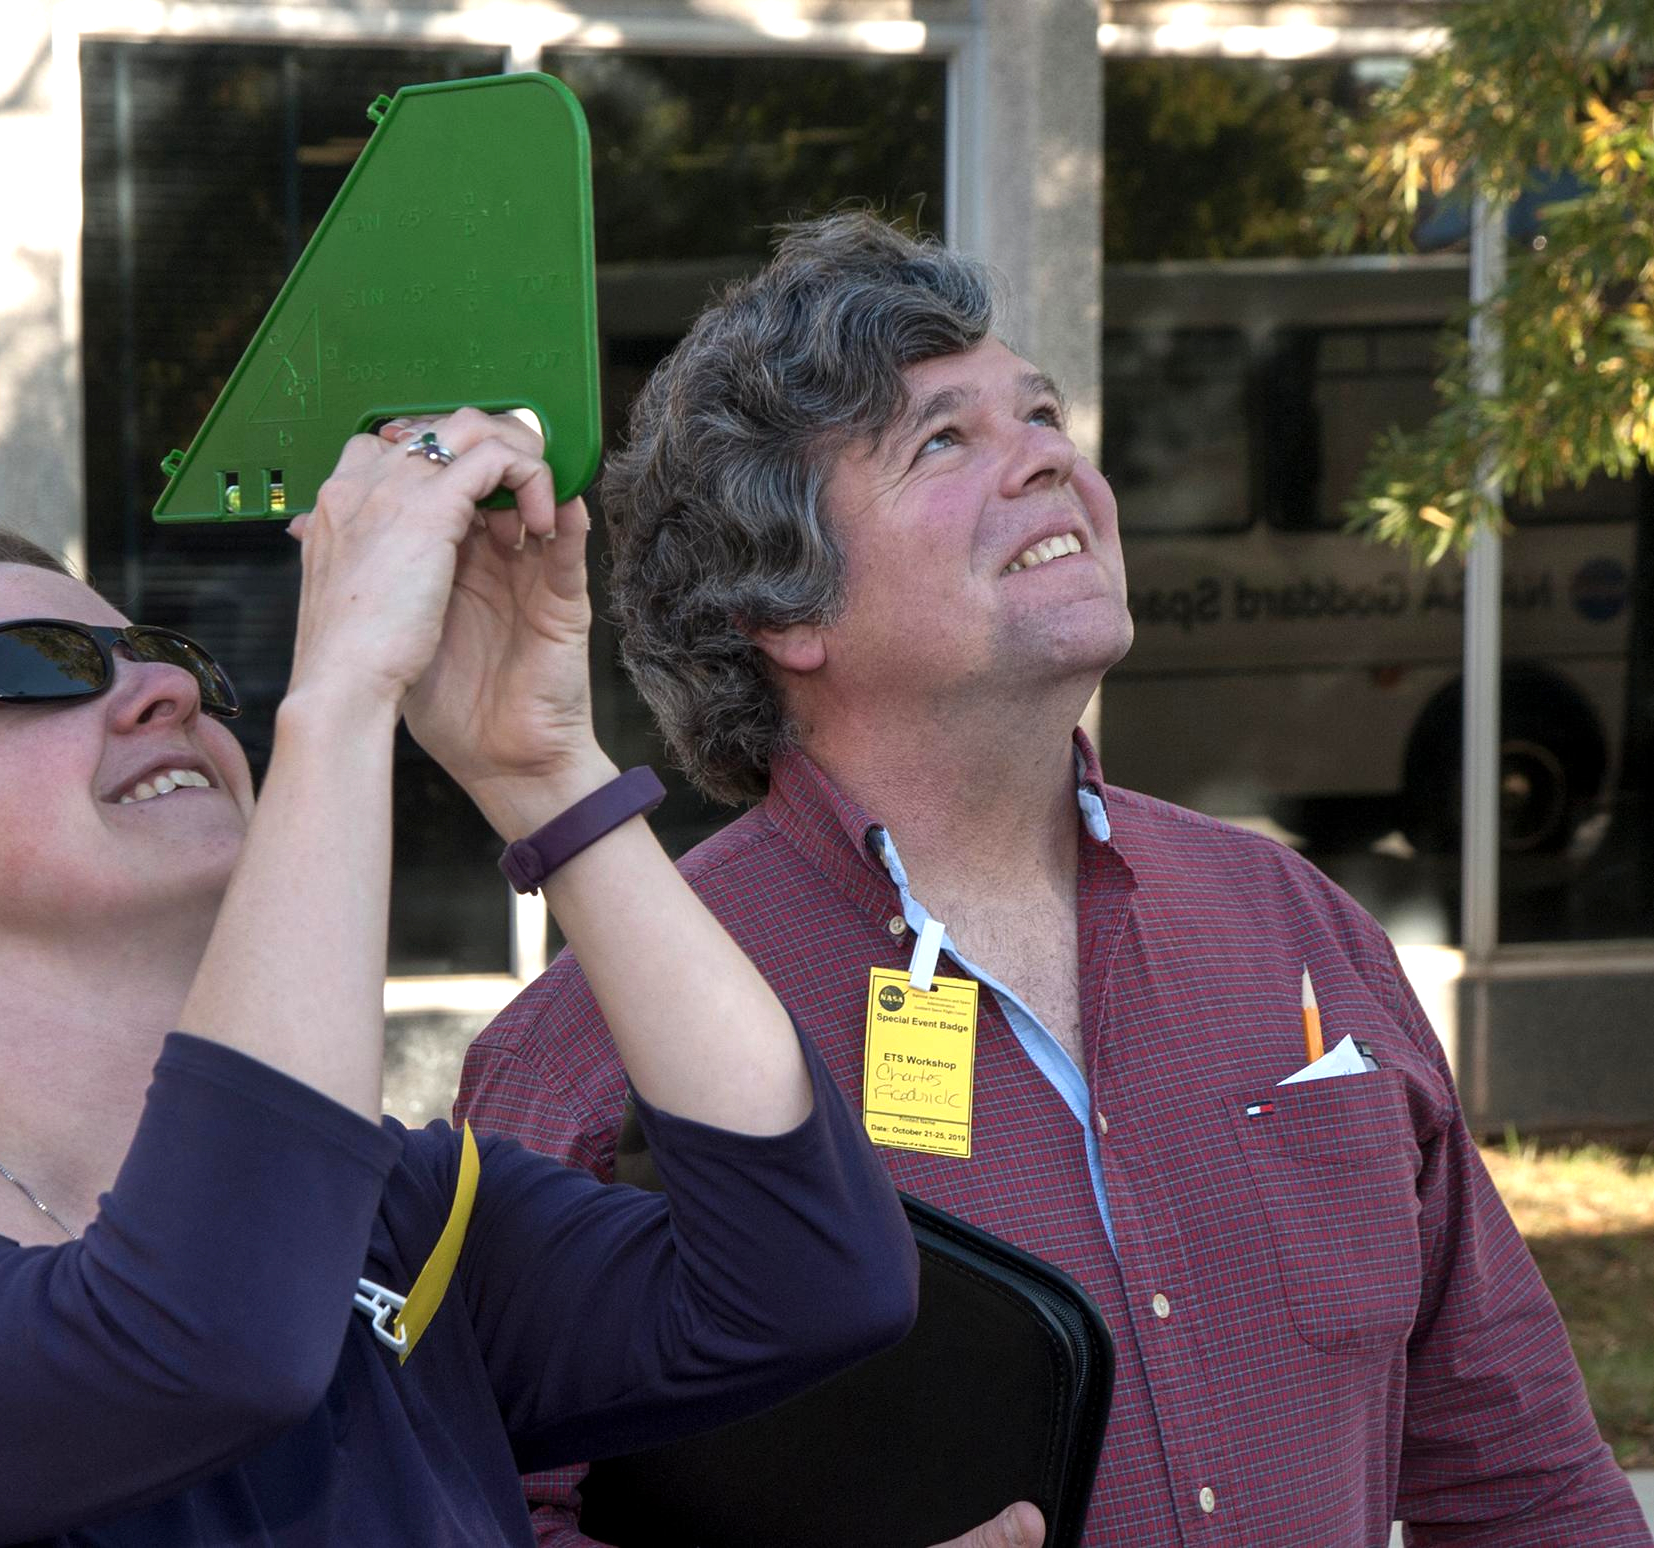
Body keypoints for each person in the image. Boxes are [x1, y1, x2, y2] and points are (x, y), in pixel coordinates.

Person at [455, 215, 1654, 1547]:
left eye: (1041, 415)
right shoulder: (597, 1043)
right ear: (782, 611)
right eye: (944, 442)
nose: (1049, 460)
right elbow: (458, 1510)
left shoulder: (1294, 925)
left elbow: (1522, 1477)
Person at [0, 409, 977, 1548]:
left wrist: (538, 765)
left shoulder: (403, 1217)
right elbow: (202, 1339)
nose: (165, 694)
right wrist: (338, 700)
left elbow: (809, 1282)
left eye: (172, 659)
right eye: (35, 666)